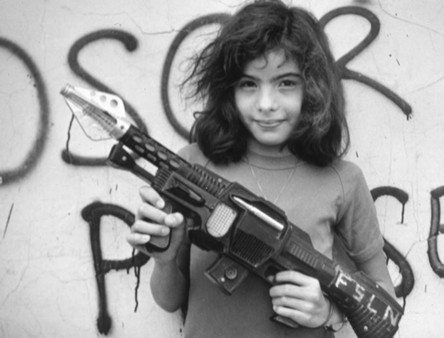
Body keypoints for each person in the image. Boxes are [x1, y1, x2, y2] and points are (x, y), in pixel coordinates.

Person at [127, 0, 396, 337]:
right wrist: (163, 260)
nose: (266, 104)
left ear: (312, 88)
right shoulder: (194, 166)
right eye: (249, 84)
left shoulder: (344, 180)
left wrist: (329, 312)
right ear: (228, 90)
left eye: (286, 83)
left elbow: (384, 299)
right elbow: (169, 301)